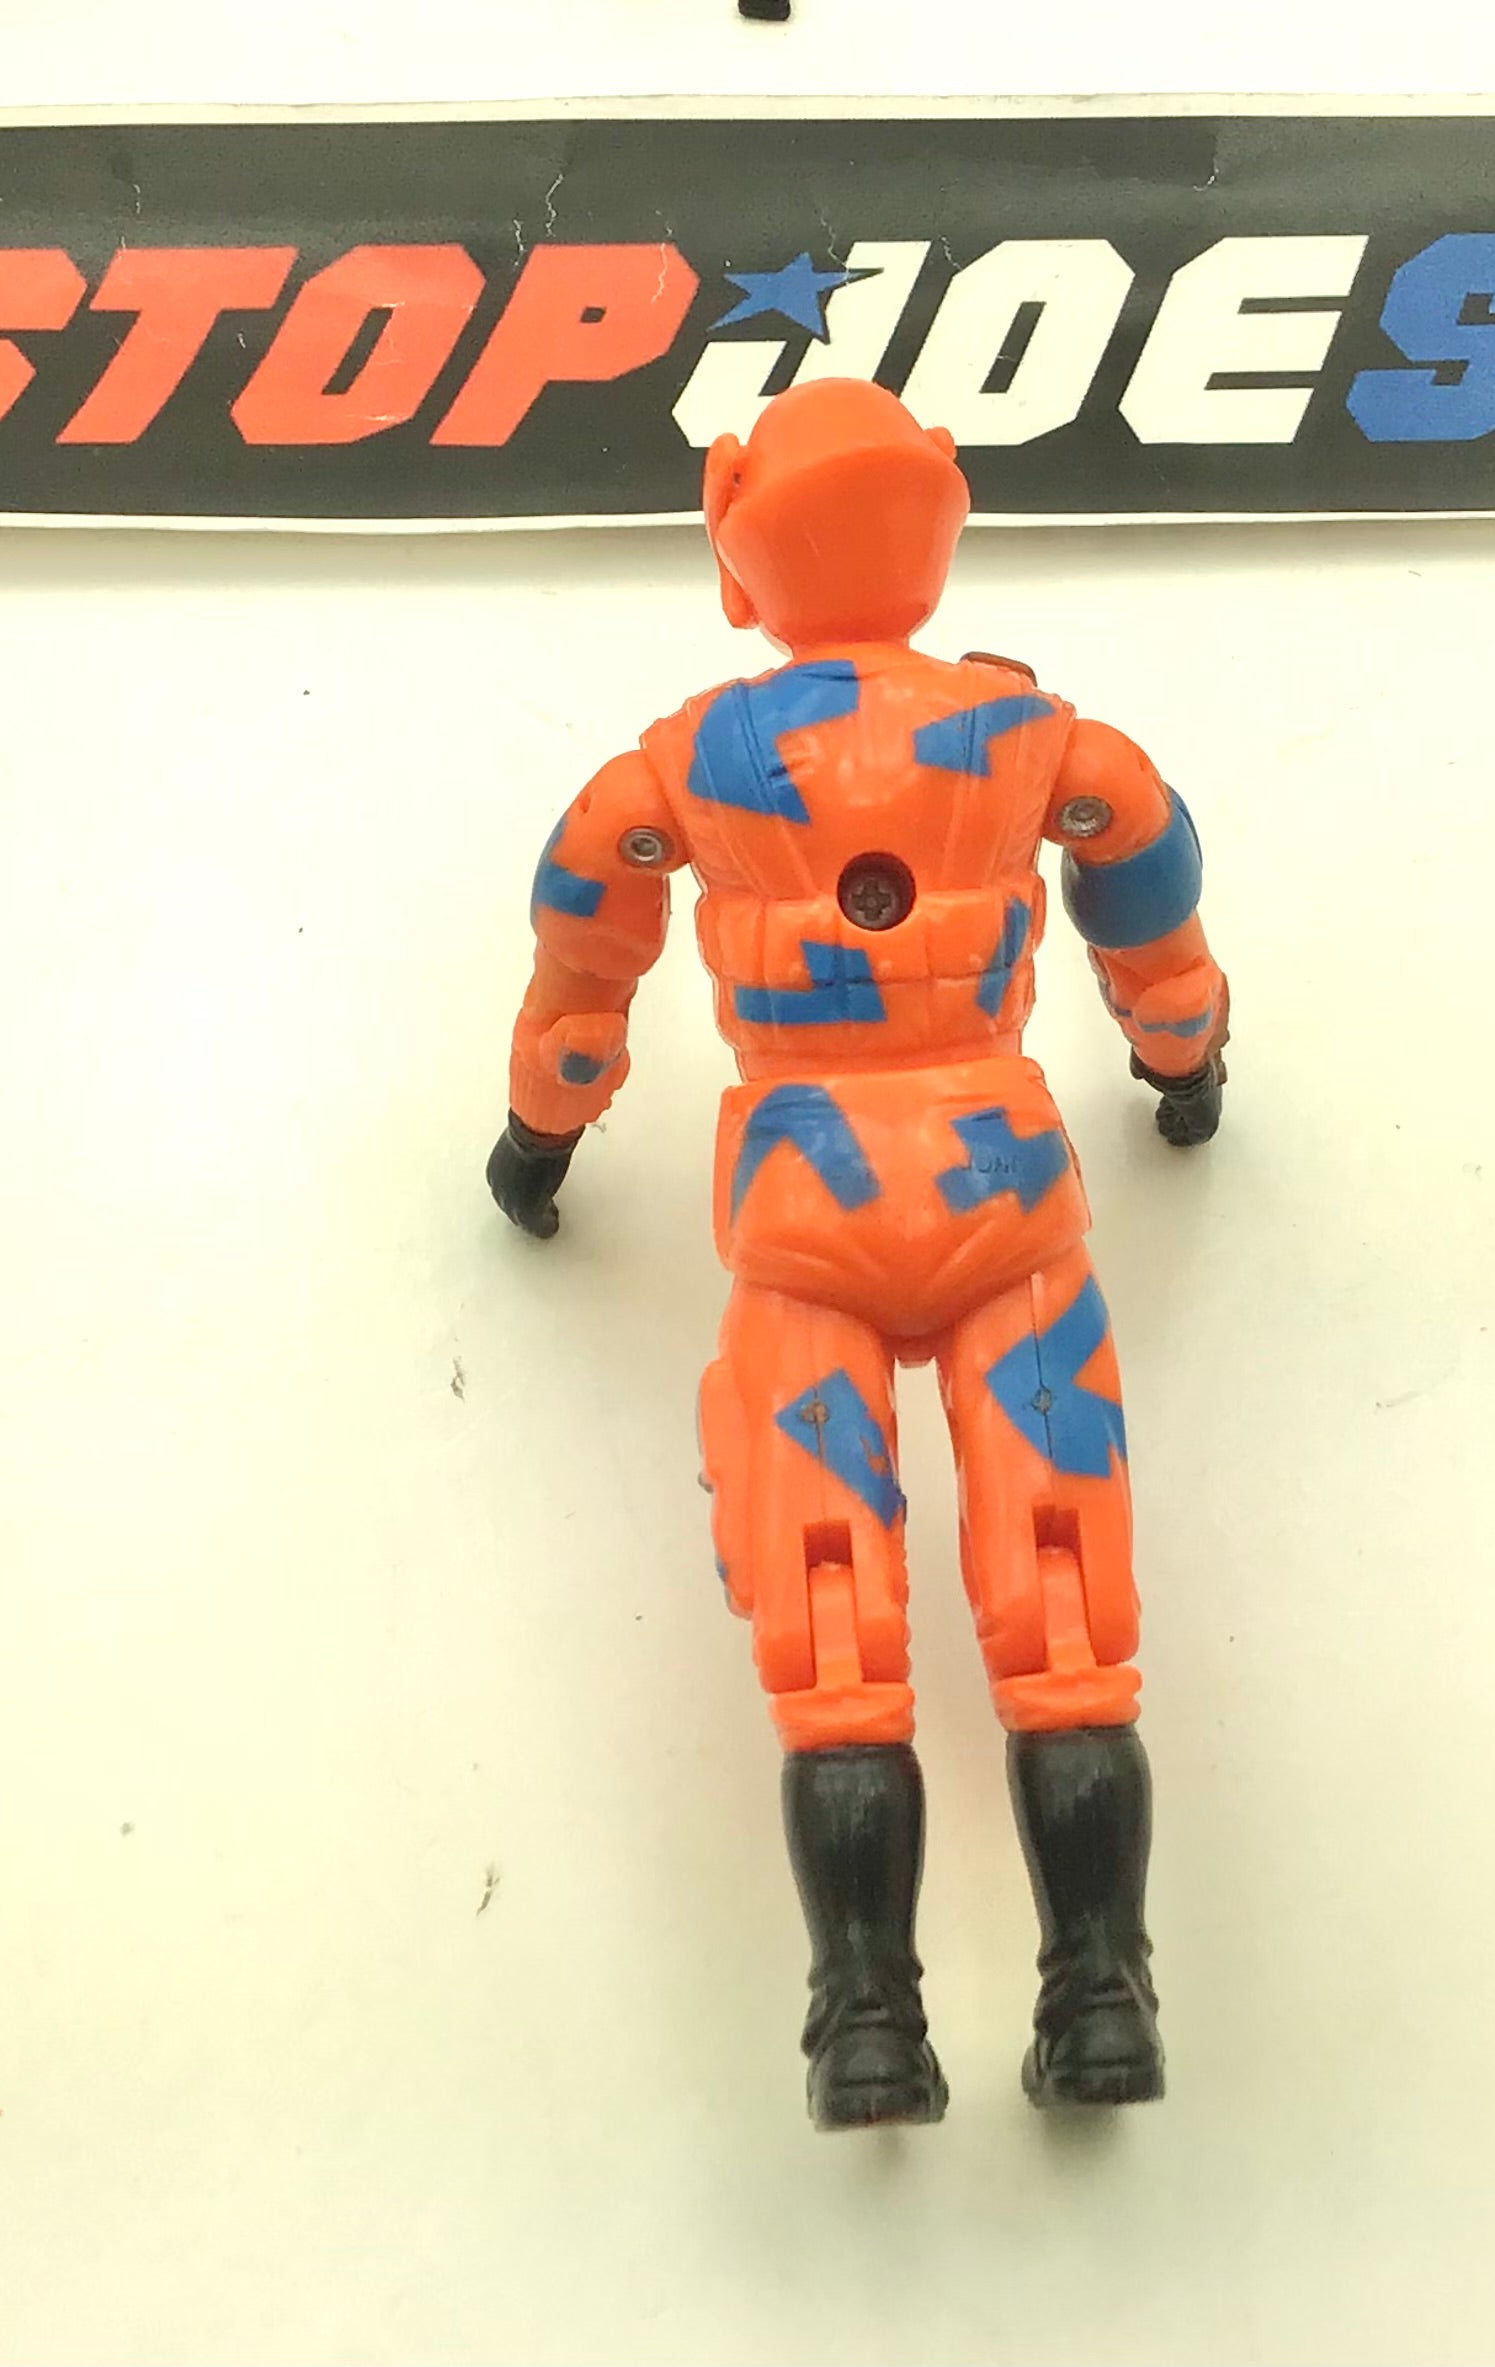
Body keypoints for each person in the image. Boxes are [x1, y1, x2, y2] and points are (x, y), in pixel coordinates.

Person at [486, 378, 1228, 2128]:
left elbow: (580, 989)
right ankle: (1102, 1993)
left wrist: (536, 1140)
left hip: (807, 1201)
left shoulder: (679, 766)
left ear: (739, 560)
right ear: (935, 530)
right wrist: (1185, 1071)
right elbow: (1158, 933)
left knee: (830, 1630)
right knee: (1063, 1612)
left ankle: (866, 2018)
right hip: (1001, 1191)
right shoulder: (1038, 740)